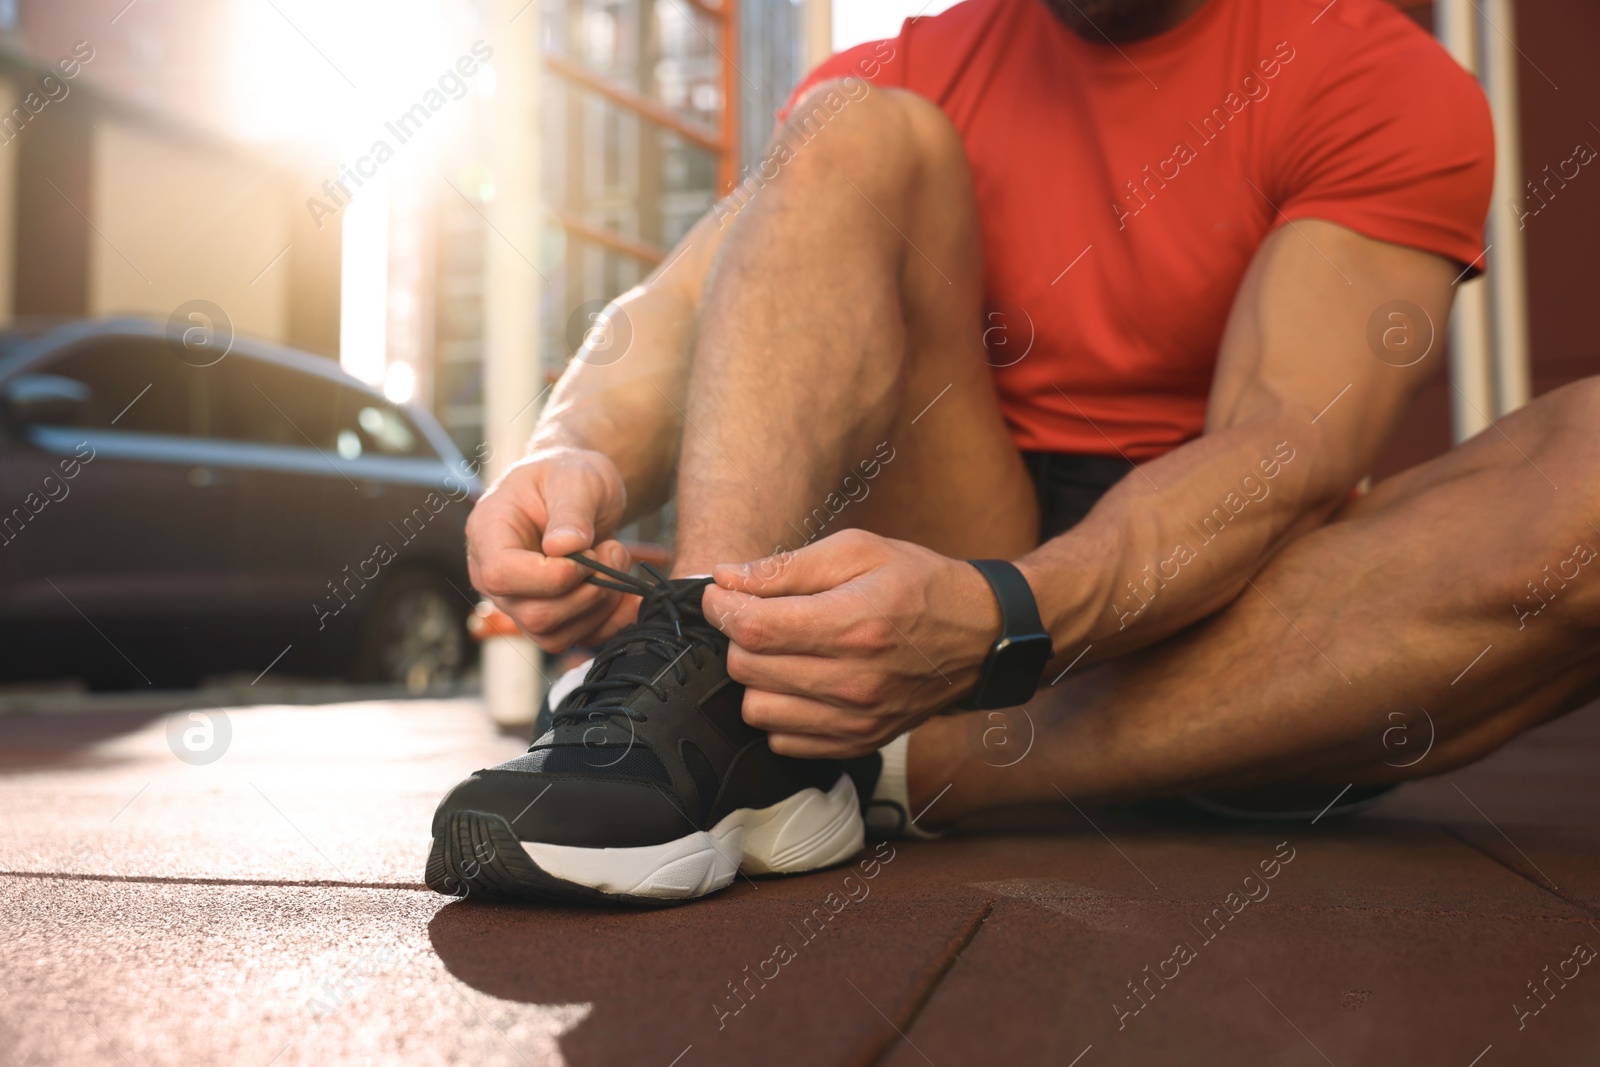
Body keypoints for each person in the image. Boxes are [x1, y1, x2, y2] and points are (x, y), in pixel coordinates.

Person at [425, 0, 1600, 904]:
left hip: (1237, 604)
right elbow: (673, 312)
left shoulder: (1376, 77)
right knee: (852, 134)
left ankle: (899, 763)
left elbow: (1277, 443)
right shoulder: (905, 70)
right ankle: (714, 708)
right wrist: (565, 454)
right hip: (937, 527)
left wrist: (1001, 619)